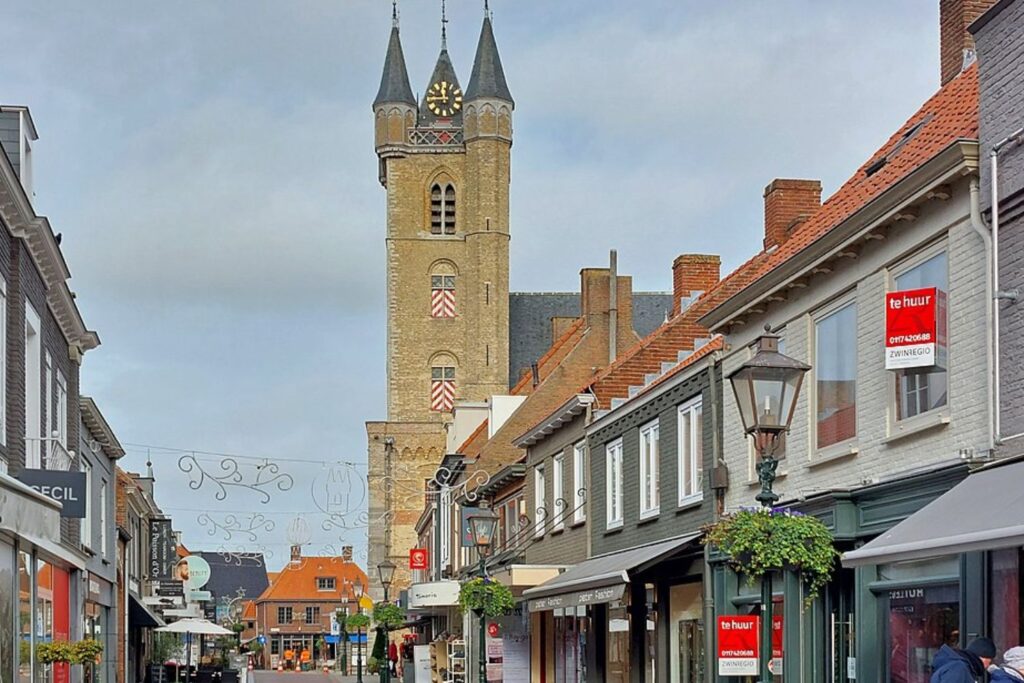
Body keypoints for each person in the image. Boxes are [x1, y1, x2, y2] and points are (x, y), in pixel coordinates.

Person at [930, 637, 997, 682]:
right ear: (983, 657)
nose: (988, 666)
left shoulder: (958, 666)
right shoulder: (958, 668)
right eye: (989, 662)